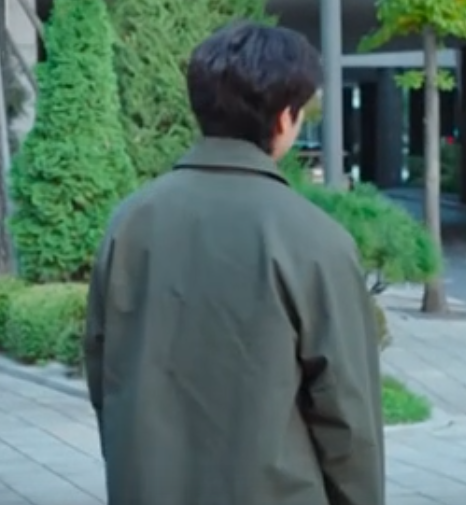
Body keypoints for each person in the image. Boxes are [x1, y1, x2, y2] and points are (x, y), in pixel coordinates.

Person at [83, 21, 385, 505]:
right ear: (284, 119)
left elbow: (106, 376)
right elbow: (348, 418)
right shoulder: (315, 240)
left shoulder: (130, 222)